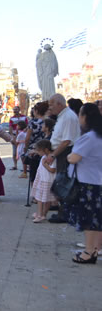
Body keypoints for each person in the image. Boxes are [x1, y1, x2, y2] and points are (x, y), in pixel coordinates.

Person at [67, 103, 102, 264]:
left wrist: (69, 157)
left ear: (86, 117)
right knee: (97, 219)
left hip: (88, 183)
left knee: (89, 220)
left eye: (80, 115)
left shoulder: (90, 137)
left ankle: (88, 251)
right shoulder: (98, 135)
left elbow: (74, 157)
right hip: (97, 181)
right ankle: (95, 249)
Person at [46, 93, 80, 224]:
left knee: (64, 184)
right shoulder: (63, 116)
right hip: (62, 152)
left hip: (66, 152)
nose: (50, 108)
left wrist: (53, 154)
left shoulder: (68, 117)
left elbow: (66, 141)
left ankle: (65, 213)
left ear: (59, 104)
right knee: (61, 183)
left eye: (51, 104)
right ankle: (63, 211)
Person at [31, 140, 57, 223]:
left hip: (47, 180)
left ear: (45, 150)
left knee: (43, 199)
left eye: (39, 151)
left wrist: (44, 165)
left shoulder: (50, 158)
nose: (38, 153)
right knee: (42, 198)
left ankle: (40, 215)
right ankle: (42, 214)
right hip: (42, 179)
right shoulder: (44, 156)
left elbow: (52, 170)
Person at [23, 101, 48, 183]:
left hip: (34, 150)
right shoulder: (48, 122)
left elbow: (27, 138)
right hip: (46, 150)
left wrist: (25, 148)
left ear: (36, 111)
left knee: (33, 174)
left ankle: (34, 193)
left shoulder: (33, 122)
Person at [9, 106, 28, 170]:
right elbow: (10, 127)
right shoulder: (12, 119)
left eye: (16, 109)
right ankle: (15, 165)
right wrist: (12, 136)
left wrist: (25, 131)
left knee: (24, 152)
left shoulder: (24, 117)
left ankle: (25, 167)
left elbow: (27, 125)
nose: (15, 111)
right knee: (14, 152)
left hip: (23, 136)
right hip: (15, 136)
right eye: (14, 109)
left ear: (19, 110)